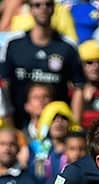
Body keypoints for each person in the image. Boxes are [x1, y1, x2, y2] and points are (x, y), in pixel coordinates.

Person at [0, 0, 85, 129]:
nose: (43, 9)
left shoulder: (67, 47)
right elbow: (4, 86)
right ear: (30, 9)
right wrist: (9, 126)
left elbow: (78, 87)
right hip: (19, 123)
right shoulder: (13, 44)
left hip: (57, 127)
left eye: (48, 4)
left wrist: (75, 127)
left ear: (54, 8)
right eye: (37, 5)